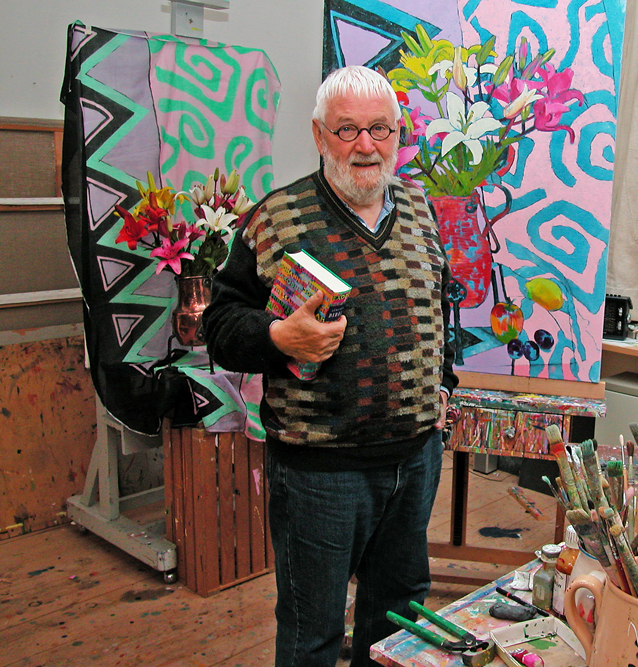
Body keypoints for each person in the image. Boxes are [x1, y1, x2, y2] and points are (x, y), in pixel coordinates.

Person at [203, 65, 457, 667]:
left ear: (399, 133)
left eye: (379, 129)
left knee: (396, 621)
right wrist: (279, 337)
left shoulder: (421, 208)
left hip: (415, 460)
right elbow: (219, 327)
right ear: (319, 136)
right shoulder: (275, 219)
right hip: (321, 471)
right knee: (311, 630)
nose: (365, 146)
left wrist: (444, 386)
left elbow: (438, 308)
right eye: (347, 131)